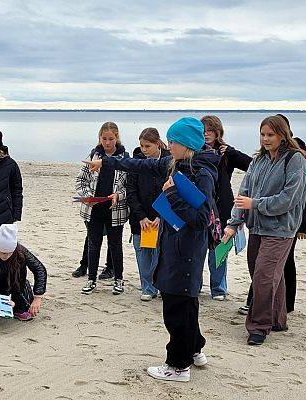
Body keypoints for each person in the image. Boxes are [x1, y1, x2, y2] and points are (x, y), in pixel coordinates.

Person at [86, 117, 219, 382]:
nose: (168, 145)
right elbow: (141, 164)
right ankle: (194, 349)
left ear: (187, 144)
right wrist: (107, 162)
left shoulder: (201, 173)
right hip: (173, 242)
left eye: (173, 141)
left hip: (188, 249)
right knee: (186, 300)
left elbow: (202, 219)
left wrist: (170, 194)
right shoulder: (175, 163)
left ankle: (177, 366)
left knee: (176, 305)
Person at [223, 115, 306, 345]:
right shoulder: (258, 160)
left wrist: (256, 204)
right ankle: (278, 320)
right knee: (268, 276)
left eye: (270, 135)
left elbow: (288, 198)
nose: (265, 139)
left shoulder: (295, 159)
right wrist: (233, 224)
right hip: (257, 227)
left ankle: (259, 327)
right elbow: (243, 193)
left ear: (283, 135)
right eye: (262, 134)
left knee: (263, 276)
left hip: (281, 229)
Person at [201, 115, 252, 300]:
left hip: (222, 206)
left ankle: (218, 289)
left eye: (210, 130)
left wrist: (231, 152)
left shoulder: (226, 153)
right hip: (203, 205)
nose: (206, 134)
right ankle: (195, 285)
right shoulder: (196, 151)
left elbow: (252, 165)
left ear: (218, 132)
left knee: (220, 249)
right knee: (198, 248)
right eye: (203, 130)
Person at [76, 122, 129, 295]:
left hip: (115, 208)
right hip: (94, 208)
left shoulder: (124, 158)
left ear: (117, 138)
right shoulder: (93, 156)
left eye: (111, 139)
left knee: (115, 245)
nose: (107, 142)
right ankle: (91, 279)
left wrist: (118, 195)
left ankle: (118, 280)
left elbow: (128, 186)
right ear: (99, 138)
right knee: (94, 244)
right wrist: (87, 196)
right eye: (104, 139)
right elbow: (81, 181)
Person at [126, 127, 170, 301]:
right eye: (142, 146)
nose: (144, 150)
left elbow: (172, 192)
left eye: (148, 146)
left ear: (158, 144)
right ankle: (147, 287)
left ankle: (162, 286)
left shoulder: (169, 161)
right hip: (141, 217)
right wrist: (141, 217)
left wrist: (161, 216)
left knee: (163, 253)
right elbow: (131, 192)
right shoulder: (137, 163)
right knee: (143, 252)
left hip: (164, 217)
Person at [283, 136, 306, 312]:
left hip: (296, 223)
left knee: (287, 261)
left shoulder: (304, 165)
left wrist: (305, 226)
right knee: (283, 261)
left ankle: (288, 303)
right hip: (288, 220)